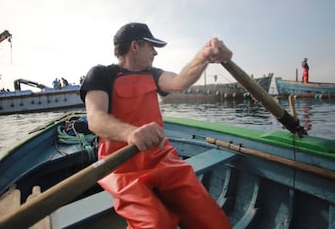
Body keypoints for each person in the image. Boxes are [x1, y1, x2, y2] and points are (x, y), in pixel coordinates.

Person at [80, 22, 232, 229]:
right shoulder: (101, 74)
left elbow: (179, 81)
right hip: (121, 167)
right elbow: (95, 118)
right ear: (135, 46)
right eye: (151, 46)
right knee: (155, 223)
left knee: (212, 220)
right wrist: (131, 133)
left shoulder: (153, 74)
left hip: (162, 157)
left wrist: (203, 56)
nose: (155, 53)